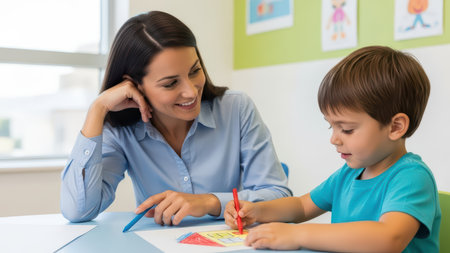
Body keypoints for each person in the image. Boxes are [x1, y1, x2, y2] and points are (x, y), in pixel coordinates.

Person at [60, 11, 291, 224]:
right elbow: (78, 211)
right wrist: (98, 109)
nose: (191, 92)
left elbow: (278, 196)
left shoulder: (236, 108)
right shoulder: (122, 130)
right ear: (134, 85)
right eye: (171, 83)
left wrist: (209, 202)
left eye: (194, 71)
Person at [224, 46, 441, 252]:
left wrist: (298, 234)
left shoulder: (411, 177)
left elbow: (388, 238)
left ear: (395, 127)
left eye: (346, 129)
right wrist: (258, 211)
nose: (334, 139)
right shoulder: (350, 173)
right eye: (332, 126)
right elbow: (301, 206)